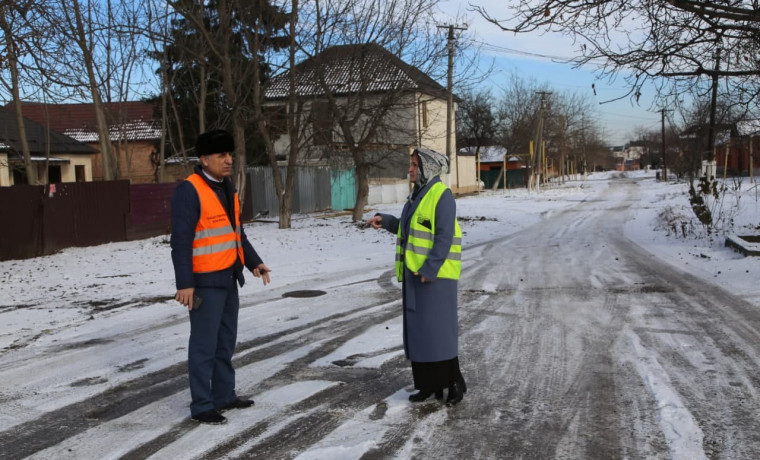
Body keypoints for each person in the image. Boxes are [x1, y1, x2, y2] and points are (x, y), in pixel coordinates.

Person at [170, 129, 271, 425]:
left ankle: (225, 394)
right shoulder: (189, 190)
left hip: (228, 279)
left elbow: (236, 233)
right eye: (221, 155)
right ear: (204, 159)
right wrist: (184, 283)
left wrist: (253, 262)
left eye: (230, 155)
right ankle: (202, 404)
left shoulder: (228, 187)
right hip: (204, 283)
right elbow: (181, 241)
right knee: (204, 345)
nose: (228, 160)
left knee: (225, 342)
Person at [365, 147, 467, 405]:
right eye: (411, 164)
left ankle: (454, 383)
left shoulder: (441, 195)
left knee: (439, 334)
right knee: (420, 335)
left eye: (413, 164)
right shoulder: (417, 196)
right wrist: (386, 221)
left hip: (436, 278)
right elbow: (408, 228)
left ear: (427, 168)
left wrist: (429, 269)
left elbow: (443, 236)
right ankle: (428, 386)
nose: (409, 169)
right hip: (415, 276)